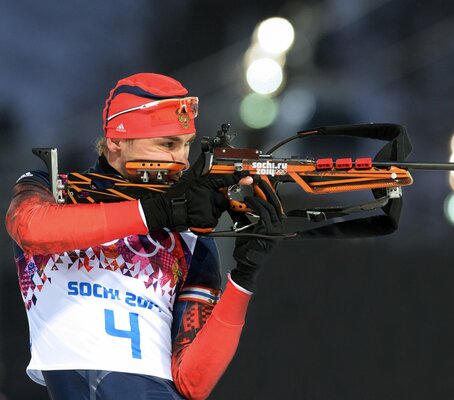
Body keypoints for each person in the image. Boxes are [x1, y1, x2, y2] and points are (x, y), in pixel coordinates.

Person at [5, 73, 282, 399]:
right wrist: (157, 212)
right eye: (167, 144)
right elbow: (30, 228)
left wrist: (244, 277)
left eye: (186, 144)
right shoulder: (54, 190)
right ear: (116, 141)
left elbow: (193, 383)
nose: (180, 159)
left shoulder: (190, 236)